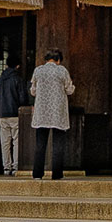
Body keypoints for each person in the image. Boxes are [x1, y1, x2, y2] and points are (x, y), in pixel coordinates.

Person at [29, 49, 75, 180]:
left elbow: (33, 91)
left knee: (40, 144)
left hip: (42, 112)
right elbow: (69, 90)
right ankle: (57, 174)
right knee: (58, 145)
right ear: (58, 60)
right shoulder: (62, 71)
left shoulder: (38, 71)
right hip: (57, 112)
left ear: (46, 59)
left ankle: (37, 174)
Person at [0, 57, 27, 175]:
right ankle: (16, 166)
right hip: (15, 113)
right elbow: (22, 98)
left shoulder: (1, 79)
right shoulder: (18, 79)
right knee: (16, 141)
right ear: (17, 66)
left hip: (2, 114)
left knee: (5, 142)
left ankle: (6, 167)